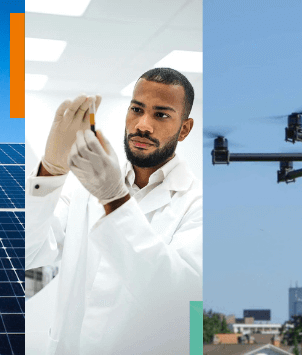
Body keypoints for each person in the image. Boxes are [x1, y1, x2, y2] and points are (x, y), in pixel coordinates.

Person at [26, 68, 202, 354]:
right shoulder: (84, 187)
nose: (143, 125)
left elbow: (179, 302)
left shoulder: (198, 205)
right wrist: (50, 170)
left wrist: (114, 199)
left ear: (184, 128)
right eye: (137, 109)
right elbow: (27, 251)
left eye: (161, 114)